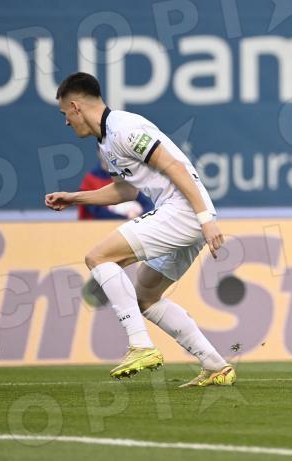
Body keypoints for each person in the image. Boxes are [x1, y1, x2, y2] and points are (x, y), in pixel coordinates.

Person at [45, 72, 235, 387]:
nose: (66, 121)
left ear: (76, 107)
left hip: (183, 212)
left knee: (98, 257)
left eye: (65, 113)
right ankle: (216, 366)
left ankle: (141, 346)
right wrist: (74, 197)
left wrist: (205, 218)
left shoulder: (124, 129)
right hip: (186, 215)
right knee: (146, 297)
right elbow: (126, 191)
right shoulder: (107, 142)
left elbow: (174, 166)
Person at [78, 151, 154, 220]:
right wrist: (126, 217)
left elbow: (147, 205)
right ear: (99, 153)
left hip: (128, 225)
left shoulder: (126, 176)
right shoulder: (89, 179)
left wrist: (139, 215)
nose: (109, 154)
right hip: (95, 227)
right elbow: (97, 212)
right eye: (105, 150)